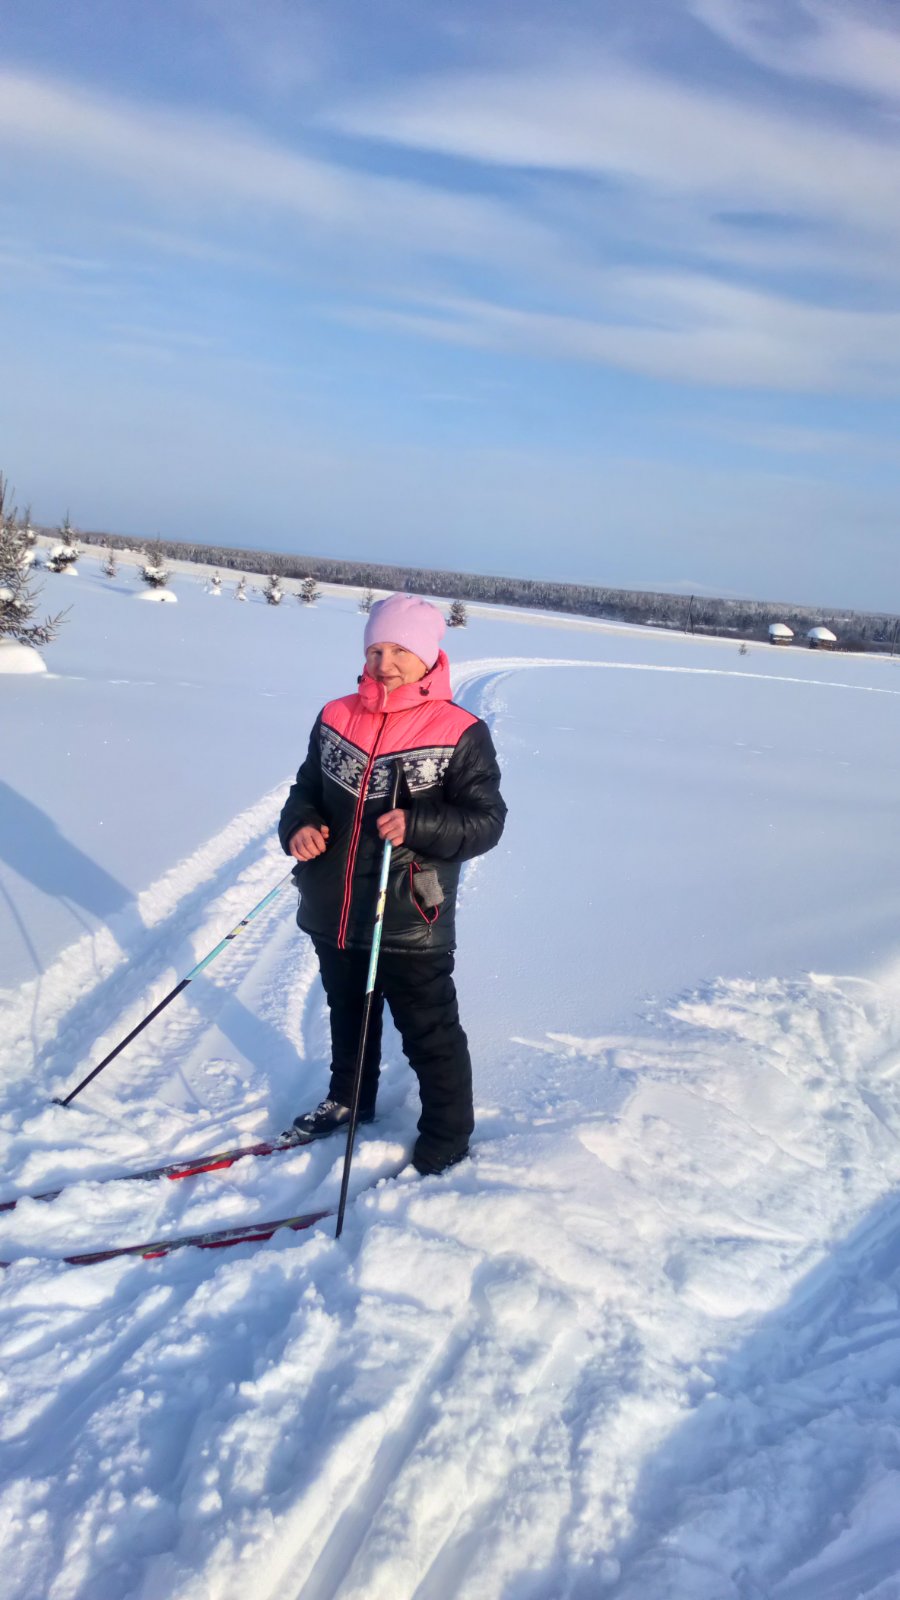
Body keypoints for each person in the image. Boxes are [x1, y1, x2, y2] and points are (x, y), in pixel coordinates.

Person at [278, 592, 507, 1175]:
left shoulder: (459, 730)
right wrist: (300, 826)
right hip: (334, 901)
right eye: (376, 648)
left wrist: (421, 822)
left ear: (429, 656)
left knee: (429, 1030)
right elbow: (305, 789)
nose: (385, 662)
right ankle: (349, 1100)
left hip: (409, 912)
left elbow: (485, 822)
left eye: (400, 650)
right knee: (348, 1013)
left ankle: (448, 1136)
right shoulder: (336, 715)